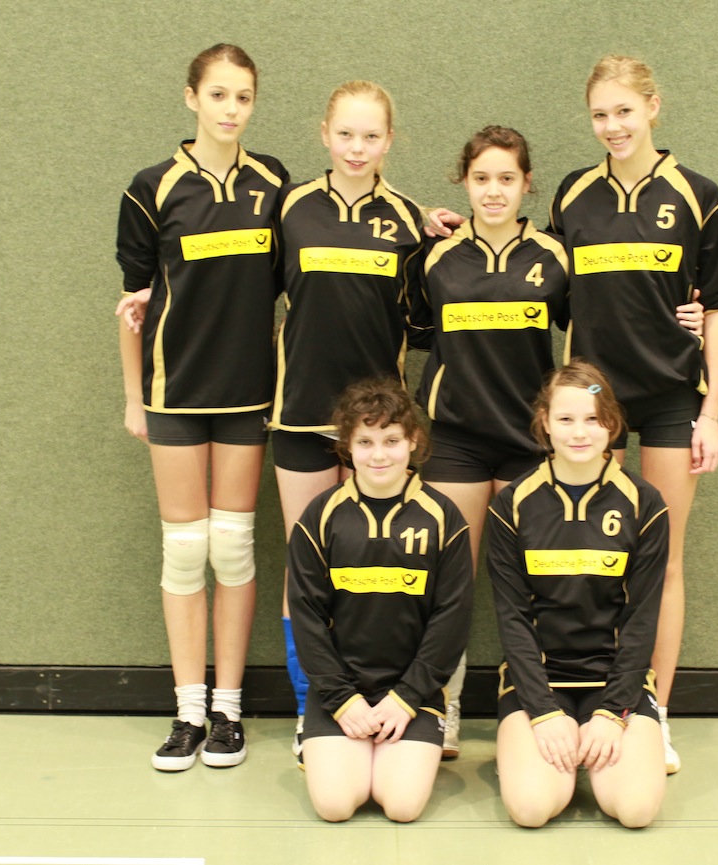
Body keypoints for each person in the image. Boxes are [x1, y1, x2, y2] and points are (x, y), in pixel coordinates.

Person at [416, 127, 703, 759]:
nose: (494, 191)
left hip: (528, 442)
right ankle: (443, 705)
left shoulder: (555, 255)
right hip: (458, 439)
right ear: (463, 182)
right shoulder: (434, 256)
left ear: (527, 184)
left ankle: (600, 703)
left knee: (545, 583)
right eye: (481, 178)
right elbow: (410, 329)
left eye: (507, 178)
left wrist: (688, 316)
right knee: (449, 579)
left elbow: (609, 314)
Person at [549, 55, 718, 773]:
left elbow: (717, 308)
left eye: (624, 111)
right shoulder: (573, 194)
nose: (613, 126)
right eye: (600, 114)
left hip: (669, 400)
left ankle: (653, 711)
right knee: (597, 555)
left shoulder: (698, 194)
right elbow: (544, 282)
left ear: (653, 107)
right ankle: (599, 700)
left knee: (661, 559)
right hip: (593, 406)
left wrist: (710, 413)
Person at [115, 44, 289, 771]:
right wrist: (135, 398)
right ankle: (187, 711)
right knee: (186, 551)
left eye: (242, 96)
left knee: (233, 546)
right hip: (176, 391)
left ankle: (228, 710)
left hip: (248, 392)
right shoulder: (151, 187)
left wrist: (424, 218)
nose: (230, 109)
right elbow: (131, 304)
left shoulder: (273, 182)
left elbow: (319, 244)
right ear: (191, 97)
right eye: (218, 94)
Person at [267, 80, 427, 761]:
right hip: (303, 416)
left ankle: (387, 706)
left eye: (371, 136)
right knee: (307, 567)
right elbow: (243, 288)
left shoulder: (411, 221)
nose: (357, 148)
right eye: (345, 134)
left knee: (373, 564)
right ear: (324, 135)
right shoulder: (290, 208)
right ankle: (314, 708)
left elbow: (432, 315)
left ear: (389, 141)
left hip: (378, 429)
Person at [488, 360, 668, 828]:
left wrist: (612, 712)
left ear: (612, 423)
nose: (580, 432)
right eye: (566, 419)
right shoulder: (513, 504)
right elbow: (512, 617)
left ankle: (597, 742)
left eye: (593, 418)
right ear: (544, 422)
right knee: (531, 809)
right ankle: (533, 749)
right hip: (539, 682)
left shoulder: (644, 503)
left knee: (635, 810)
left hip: (615, 681)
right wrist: (544, 712)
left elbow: (642, 618)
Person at [288, 379, 473, 822]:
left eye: (391, 440)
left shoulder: (443, 517)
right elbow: (306, 616)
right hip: (340, 693)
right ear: (347, 446)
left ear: (413, 441)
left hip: (414, 693)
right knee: (335, 805)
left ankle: (406, 742)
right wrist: (342, 699)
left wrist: (407, 697)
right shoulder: (321, 516)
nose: (379, 455)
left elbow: (452, 618)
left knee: (402, 805)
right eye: (365, 442)